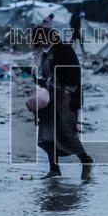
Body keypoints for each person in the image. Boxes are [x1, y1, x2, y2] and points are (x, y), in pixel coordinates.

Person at [32, 25, 93, 179]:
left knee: (66, 132)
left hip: (65, 98)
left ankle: (85, 160)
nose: (41, 43)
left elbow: (75, 71)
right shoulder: (44, 52)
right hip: (49, 98)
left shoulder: (63, 49)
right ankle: (54, 169)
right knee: (47, 134)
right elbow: (43, 73)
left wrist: (68, 91)